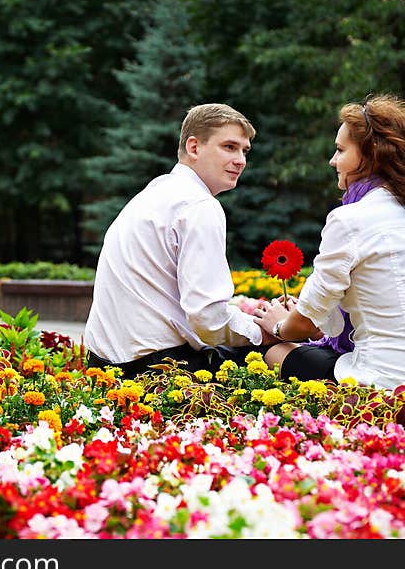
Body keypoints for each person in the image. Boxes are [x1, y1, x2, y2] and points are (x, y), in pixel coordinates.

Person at [252, 94, 405, 391]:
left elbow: (304, 326)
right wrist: (307, 311)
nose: (332, 160)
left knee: (273, 351)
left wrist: (277, 323)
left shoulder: (350, 219)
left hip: (392, 383)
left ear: (371, 154)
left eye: (340, 150)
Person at [84, 103, 273, 377]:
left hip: (103, 370)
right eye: (230, 147)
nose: (241, 160)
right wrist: (267, 332)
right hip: (159, 372)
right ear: (194, 147)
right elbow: (207, 318)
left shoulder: (156, 192)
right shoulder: (198, 205)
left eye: (245, 151)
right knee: (286, 357)